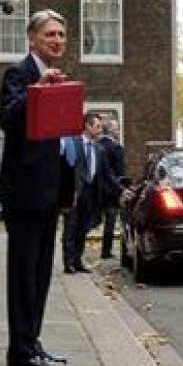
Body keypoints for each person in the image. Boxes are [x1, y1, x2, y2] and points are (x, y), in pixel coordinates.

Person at [0, 9, 70, 366]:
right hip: (24, 192)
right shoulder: (20, 73)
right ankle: (20, 349)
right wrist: (38, 91)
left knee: (41, 272)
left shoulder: (57, 80)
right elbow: (8, 118)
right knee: (23, 273)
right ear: (32, 40)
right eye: (50, 35)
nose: (57, 40)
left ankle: (31, 341)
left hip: (49, 192)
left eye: (60, 35)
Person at [62, 113, 126, 273]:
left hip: (91, 194)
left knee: (83, 227)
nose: (100, 129)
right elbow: (65, 168)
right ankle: (68, 262)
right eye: (97, 126)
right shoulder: (73, 143)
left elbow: (108, 174)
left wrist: (122, 189)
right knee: (71, 227)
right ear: (87, 126)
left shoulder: (99, 150)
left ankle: (77, 260)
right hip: (75, 192)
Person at [96, 119, 125, 259]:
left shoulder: (95, 145)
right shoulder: (116, 148)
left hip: (96, 189)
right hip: (111, 191)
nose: (118, 131)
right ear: (112, 131)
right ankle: (105, 251)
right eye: (117, 128)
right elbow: (120, 172)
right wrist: (122, 189)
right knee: (110, 222)